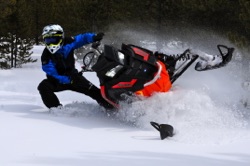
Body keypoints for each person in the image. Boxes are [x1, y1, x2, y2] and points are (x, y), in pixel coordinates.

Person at [82, 42, 234, 109]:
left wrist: (154, 56)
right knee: (170, 97)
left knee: (188, 52)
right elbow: (118, 103)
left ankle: (211, 60)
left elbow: (135, 50)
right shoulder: (106, 86)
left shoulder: (123, 53)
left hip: (156, 69)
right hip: (155, 96)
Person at [37, 24, 114, 109]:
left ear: (60, 37)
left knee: (96, 92)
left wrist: (94, 37)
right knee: (43, 86)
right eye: (48, 40)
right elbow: (52, 73)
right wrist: (67, 80)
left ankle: (111, 108)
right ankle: (56, 109)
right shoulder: (46, 55)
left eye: (53, 39)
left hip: (74, 77)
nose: (51, 42)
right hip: (57, 81)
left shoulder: (68, 42)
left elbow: (81, 38)